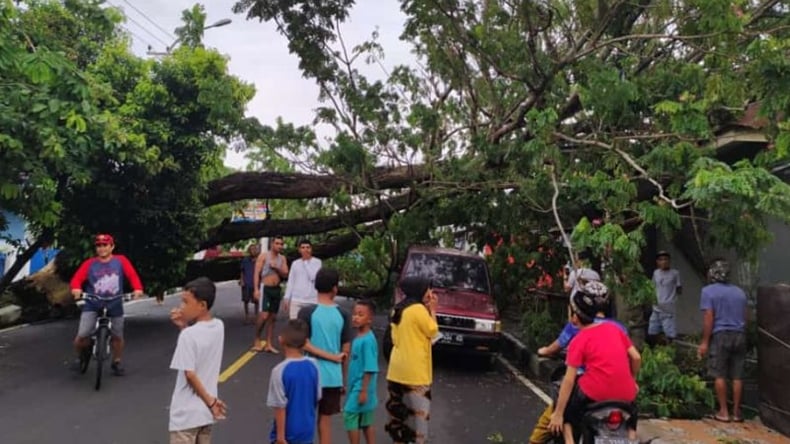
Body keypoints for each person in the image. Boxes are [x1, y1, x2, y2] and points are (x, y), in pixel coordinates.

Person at [530, 283, 628, 444]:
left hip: (587, 389)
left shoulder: (578, 326)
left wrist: (544, 351)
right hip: (619, 395)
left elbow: (557, 351)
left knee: (557, 411)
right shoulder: (618, 328)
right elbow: (634, 357)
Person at [70, 233, 144, 376]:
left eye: (105, 245)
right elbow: (77, 279)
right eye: (99, 245)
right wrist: (76, 288)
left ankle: (116, 362)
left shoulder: (121, 261)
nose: (102, 248)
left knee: (117, 335)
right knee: (82, 335)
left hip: (114, 303)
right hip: (92, 303)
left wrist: (138, 289)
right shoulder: (89, 264)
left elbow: (132, 276)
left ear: (112, 247)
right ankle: (80, 358)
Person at [168, 277, 227, 444]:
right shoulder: (218, 326)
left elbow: (190, 374)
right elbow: (200, 345)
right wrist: (183, 326)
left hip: (185, 414)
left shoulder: (189, 335)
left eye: (186, 302)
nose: (181, 307)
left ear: (202, 305)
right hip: (204, 414)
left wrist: (211, 402)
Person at [297, 268, 352, 444]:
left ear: (316, 286)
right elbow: (345, 352)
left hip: (309, 374)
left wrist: (328, 356)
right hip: (333, 377)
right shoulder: (343, 314)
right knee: (325, 420)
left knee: (305, 419)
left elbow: (303, 343)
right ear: (335, 289)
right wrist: (342, 379)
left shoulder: (306, 312)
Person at [385, 276, 439, 444]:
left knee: (398, 417)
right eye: (428, 289)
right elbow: (433, 331)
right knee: (418, 420)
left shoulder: (397, 310)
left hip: (396, 370)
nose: (430, 293)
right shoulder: (418, 310)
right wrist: (433, 310)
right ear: (420, 290)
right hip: (415, 373)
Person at [697, 259, 748, 423]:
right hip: (740, 335)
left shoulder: (708, 291)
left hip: (721, 335)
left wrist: (704, 342)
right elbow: (745, 316)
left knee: (720, 373)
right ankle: (737, 413)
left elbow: (708, 317)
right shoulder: (740, 292)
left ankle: (724, 412)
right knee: (737, 376)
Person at [267, 319, 321, 444]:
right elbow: (317, 396)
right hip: (307, 431)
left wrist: (280, 437)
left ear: (281, 340)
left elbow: (280, 406)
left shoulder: (279, 371)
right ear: (306, 342)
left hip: (287, 433)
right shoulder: (314, 365)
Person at [344, 300, 379, 444]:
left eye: (360, 314)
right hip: (357, 385)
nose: (355, 317)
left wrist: (363, 390)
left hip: (362, 387)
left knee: (350, 414)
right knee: (365, 420)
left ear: (369, 319)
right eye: (354, 314)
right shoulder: (359, 337)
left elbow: (370, 368)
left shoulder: (367, 341)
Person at [252, 236, 289, 353]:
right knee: (264, 315)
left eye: (281, 244)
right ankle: (257, 338)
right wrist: (256, 289)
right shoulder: (264, 256)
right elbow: (256, 273)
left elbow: (285, 274)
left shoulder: (282, 258)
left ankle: (269, 343)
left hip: (276, 289)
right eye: (277, 243)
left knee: (272, 317)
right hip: (265, 288)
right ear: (272, 244)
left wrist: (276, 267)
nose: (279, 246)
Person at [648, 251, 682, 344]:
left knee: (669, 333)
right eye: (661, 260)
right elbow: (652, 287)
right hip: (656, 307)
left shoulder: (675, 273)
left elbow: (679, 288)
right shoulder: (656, 273)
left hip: (668, 308)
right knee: (653, 331)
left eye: (666, 259)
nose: (663, 262)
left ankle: (670, 350)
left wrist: (671, 298)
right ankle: (659, 350)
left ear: (669, 261)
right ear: (657, 262)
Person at [284, 239, 322, 320]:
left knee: (310, 326)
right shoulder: (295, 263)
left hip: (312, 300)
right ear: (299, 250)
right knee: (294, 326)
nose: (305, 250)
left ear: (311, 249)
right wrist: (287, 297)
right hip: (296, 299)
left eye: (308, 247)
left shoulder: (317, 262)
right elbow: (291, 281)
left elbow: (313, 277)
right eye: (303, 247)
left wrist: (305, 262)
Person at [239, 243, 261, 324]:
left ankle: (256, 316)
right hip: (247, 282)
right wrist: (242, 280)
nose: (253, 251)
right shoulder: (245, 260)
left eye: (254, 249)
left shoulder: (259, 259)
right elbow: (242, 271)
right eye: (251, 249)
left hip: (256, 283)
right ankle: (247, 316)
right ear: (249, 251)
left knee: (256, 301)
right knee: (246, 300)